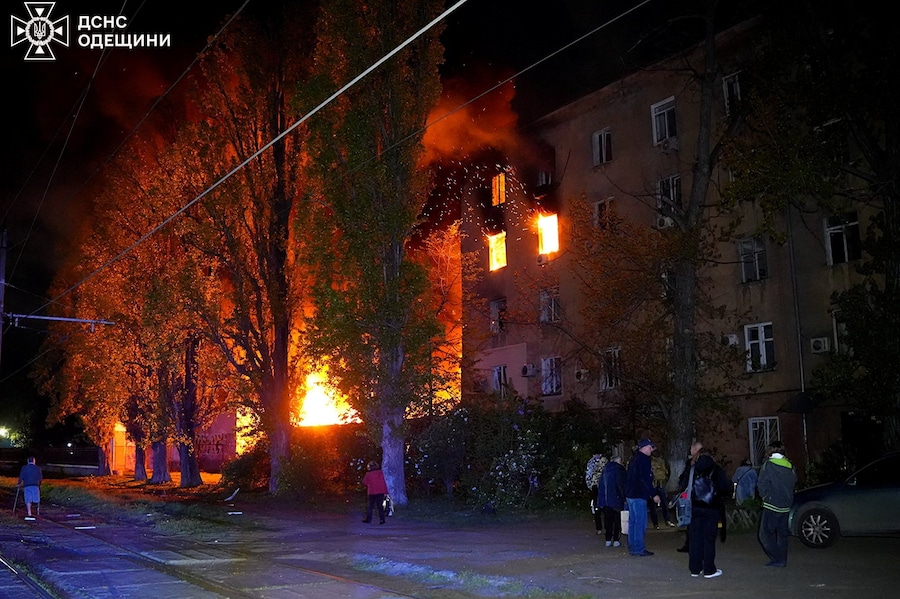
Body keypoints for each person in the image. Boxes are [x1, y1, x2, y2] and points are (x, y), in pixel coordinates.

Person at [684, 449, 731, 578]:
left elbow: (682, 484)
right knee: (709, 539)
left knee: (695, 538)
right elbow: (726, 487)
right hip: (712, 508)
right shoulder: (717, 469)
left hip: (695, 508)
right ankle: (709, 569)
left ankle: (695, 568)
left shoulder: (692, 469)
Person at [756, 440, 797, 567]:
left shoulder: (768, 465)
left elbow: (761, 484)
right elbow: (794, 481)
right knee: (782, 535)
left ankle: (777, 558)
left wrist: (766, 497)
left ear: (769, 450)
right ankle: (782, 559)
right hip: (786, 505)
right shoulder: (790, 465)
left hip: (772, 505)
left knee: (765, 535)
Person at [625, 438, 660, 557]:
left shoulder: (634, 459)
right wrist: (654, 494)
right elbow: (646, 479)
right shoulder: (644, 460)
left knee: (633, 522)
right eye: (650, 447)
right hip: (639, 494)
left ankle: (633, 547)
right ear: (644, 448)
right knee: (640, 523)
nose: (651, 450)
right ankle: (639, 548)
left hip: (631, 494)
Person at [676, 440, 704, 553]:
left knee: (693, 521)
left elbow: (686, 477)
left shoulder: (698, 463)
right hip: (694, 495)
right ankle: (690, 544)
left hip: (694, 495)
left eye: (692, 449)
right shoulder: (693, 462)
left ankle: (693, 545)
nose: (690, 451)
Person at [596, 455, 626, 547]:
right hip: (615, 498)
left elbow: (600, 485)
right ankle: (616, 539)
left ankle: (608, 539)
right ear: (617, 461)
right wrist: (624, 497)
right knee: (617, 520)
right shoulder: (619, 470)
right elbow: (621, 485)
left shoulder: (605, 470)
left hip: (605, 500)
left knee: (608, 520)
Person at [650, 452, 675, 528]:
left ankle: (656, 524)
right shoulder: (662, 460)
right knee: (663, 504)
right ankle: (666, 521)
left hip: (655, 484)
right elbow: (668, 471)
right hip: (659, 484)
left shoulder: (650, 460)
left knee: (654, 505)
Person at [585, 453, 608, 535]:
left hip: (602, 485)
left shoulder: (604, 461)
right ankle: (599, 528)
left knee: (604, 507)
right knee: (597, 507)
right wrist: (591, 486)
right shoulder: (591, 462)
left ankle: (604, 528)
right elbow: (588, 475)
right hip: (596, 486)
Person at [361, 460, 389, 525]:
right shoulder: (381, 473)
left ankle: (369, 519)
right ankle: (382, 520)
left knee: (370, 506)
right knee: (380, 506)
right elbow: (383, 482)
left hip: (372, 492)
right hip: (380, 492)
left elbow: (364, 482)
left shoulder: (368, 474)